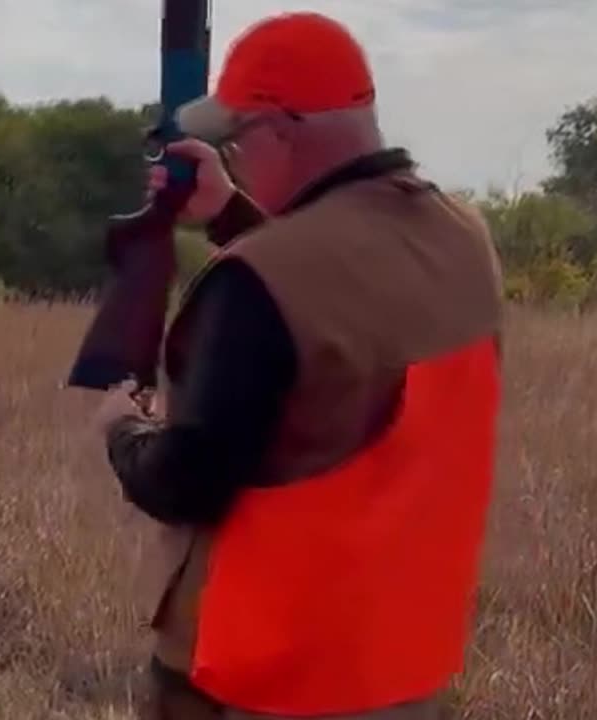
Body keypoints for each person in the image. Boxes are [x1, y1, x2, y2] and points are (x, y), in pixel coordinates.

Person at [93, 10, 505, 720]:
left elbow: (187, 481)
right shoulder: (464, 237)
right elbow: (341, 314)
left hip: (266, 679)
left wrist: (122, 430)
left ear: (281, 132)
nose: (237, 156)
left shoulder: (259, 283)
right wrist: (232, 213)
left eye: (240, 138)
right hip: (399, 670)